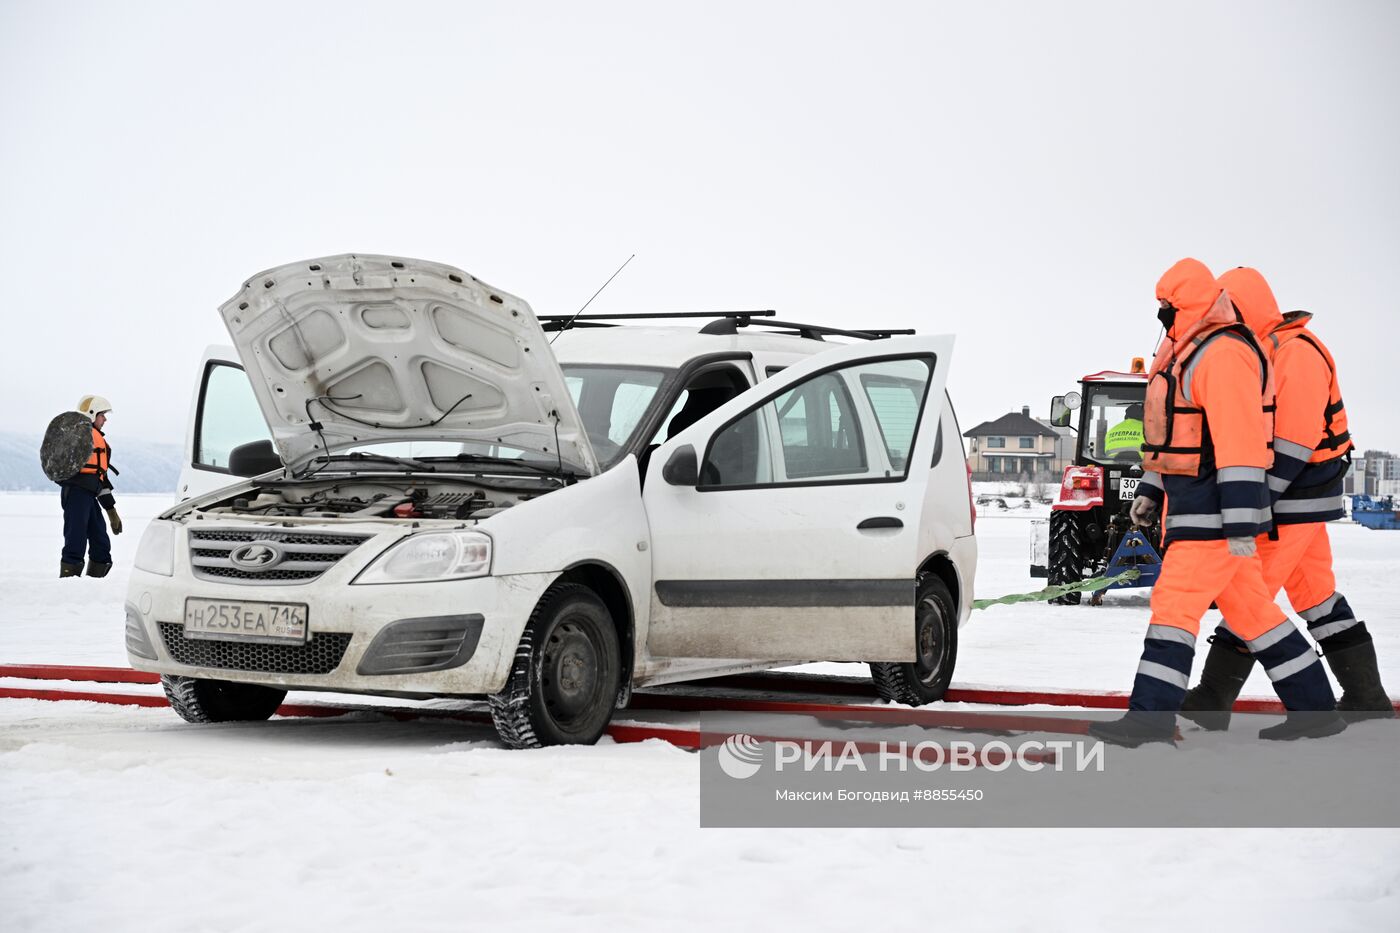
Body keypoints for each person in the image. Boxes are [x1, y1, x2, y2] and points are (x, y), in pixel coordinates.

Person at [1088, 258, 1344, 746]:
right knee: (1252, 611)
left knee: (1175, 603)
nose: (1162, 314)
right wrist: (1150, 488)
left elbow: (1241, 445)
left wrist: (1244, 522)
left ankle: (1151, 717)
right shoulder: (1185, 351)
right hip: (1192, 505)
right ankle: (1315, 708)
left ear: (1190, 303)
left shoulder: (1223, 354)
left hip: (1212, 514)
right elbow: (1173, 436)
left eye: (1169, 306)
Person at [1180, 267, 1393, 725]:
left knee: (1249, 595)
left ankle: (1213, 702)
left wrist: (1253, 502)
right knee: (1316, 597)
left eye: (1226, 310)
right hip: (1301, 502)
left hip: (1293, 501)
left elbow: (1290, 446)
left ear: (1245, 307)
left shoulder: (1294, 354)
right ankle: (1365, 698)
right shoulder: (1267, 351)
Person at [60, 395, 122, 578]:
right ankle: (68, 583)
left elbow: (100, 478)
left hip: (89, 495)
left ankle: (95, 585)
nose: (105, 419)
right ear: (92, 414)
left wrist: (111, 510)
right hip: (76, 495)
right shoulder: (79, 437)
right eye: (103, 415)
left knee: (100, 543)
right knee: (75, 542)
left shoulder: (96, 440)